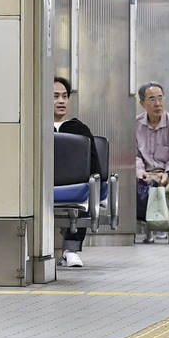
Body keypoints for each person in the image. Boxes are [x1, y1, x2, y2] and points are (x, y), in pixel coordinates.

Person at [53, 76, 102, 268]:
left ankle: (70, 249)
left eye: (64, 96)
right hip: (42, 183)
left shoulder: (79, 129)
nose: (61, 101)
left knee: (87, 188)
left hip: (74, 184)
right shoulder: (35, 128)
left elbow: (93, 163)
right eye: (55, 96)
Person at [134, 81, 169, 244]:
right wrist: (139, 171)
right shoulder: (135, 124)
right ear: (142, 103)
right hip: (145, 171)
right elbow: (134, 154)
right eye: (151, 99)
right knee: (123, 182)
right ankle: (130, 229)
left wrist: (167, 173)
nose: (157, 103)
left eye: (160, 98)